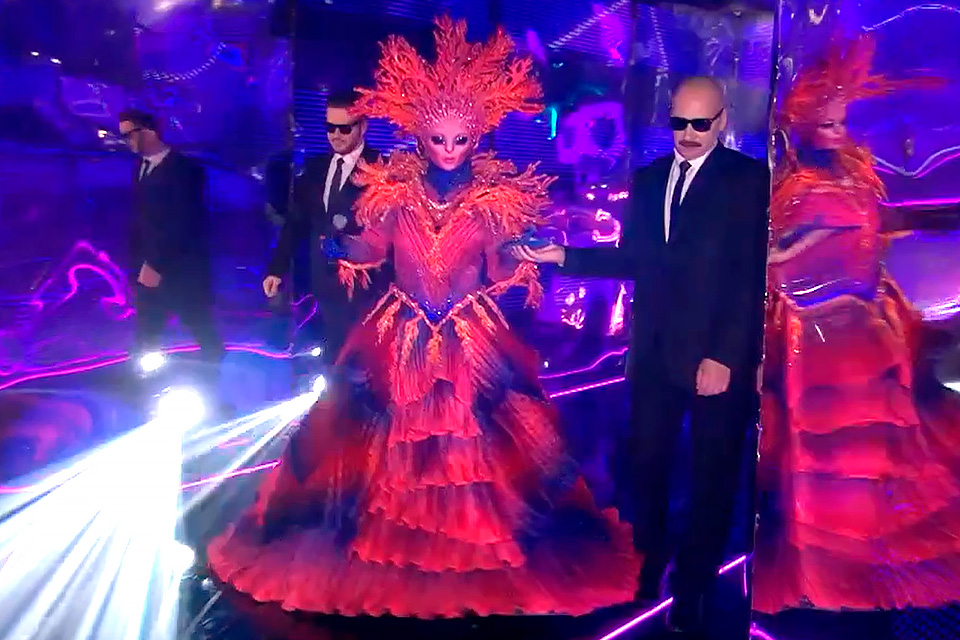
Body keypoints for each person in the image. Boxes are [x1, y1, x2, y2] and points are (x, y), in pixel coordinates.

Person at [207, 16, 640, 617]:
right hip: (400, 327)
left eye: (460, 140)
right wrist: (342, 247)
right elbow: (373, 251)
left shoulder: (491, 200)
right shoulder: (394, 191)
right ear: (420, 135)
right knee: (377, 436)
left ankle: (473, 542)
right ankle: (385, 539)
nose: (449, 150)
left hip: (469, 332)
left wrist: (521, 255)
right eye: (439, 139)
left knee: (479, 442)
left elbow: (496, 270)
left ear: (476, 137)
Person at [517, 77, 770, 632]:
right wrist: (565, 257)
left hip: (715, 356)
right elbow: (635, 258)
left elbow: (749, 277)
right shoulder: (651, 178)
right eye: (679, 122)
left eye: (700, 123)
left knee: (711, 477)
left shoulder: (749, 181)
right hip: (654, 354)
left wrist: (725, 356)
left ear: (722, 121)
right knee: (647, 467)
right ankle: (650, 561)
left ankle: (693, 586)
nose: (688, 133)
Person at [752, 35, 960, 613]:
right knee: (831, 450)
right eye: (827, 121)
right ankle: (831, 558)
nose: (838, 129)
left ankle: (858, 547)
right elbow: (786, 252)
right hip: (821, 331)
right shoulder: (799, 186)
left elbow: (862, 231)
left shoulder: (853, 174)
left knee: (878, 446)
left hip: (865, 323)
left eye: (841, 120)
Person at [262, 90, 384, 363]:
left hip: (365, 288)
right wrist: (277, 268)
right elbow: (296, 222)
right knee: (331, 356)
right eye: (330, 127)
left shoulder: (382, 170)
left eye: (344, 128)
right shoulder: (316, 168)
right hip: (323, 283)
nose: (336, 135)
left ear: (363, 126)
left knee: (361, 361)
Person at [120, 108, 224, 389]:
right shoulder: (139, 168)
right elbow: (141, 220)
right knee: (148, 333)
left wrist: (155, 263)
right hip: (146, 268)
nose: (126, 141)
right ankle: (147, 389)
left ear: (149, 132)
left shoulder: (186, 170)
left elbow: (184, 223)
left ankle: (214, 386)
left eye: (129, 135)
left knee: (200, 327)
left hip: (182, 270)